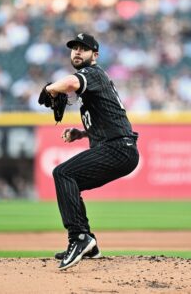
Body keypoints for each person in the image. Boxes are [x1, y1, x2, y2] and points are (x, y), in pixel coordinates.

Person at [44, 33, 139, 270]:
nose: (77, 52)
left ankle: (79, 237)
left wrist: (50, 89)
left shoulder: (93, 73)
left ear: (94, 55)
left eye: (83, 49)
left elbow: (70, 84)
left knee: (63, 174)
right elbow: (113, 119)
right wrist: (82, 134)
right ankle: (88, 243)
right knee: (70, 182)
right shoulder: (95, 82)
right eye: (74, 48)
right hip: (119, 146)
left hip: (119, 148)